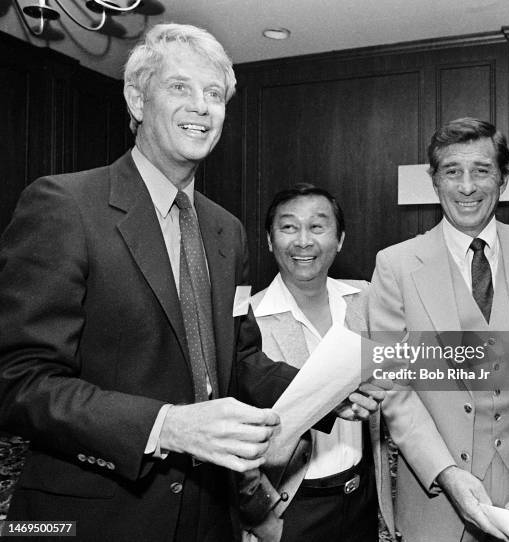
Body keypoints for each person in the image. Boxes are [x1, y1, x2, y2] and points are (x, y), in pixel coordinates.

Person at [0, 24, 381, 542]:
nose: (202, 107)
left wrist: (321, 394)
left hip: (210, 516)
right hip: (94, 517)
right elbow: (19, 381)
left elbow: (240, 360)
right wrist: (166, 426)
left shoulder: (227, 230)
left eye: (215, 94)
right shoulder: (64, 207)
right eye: (180, 87)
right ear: (137, 99)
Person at [368, 117, 509, 541]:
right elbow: (394, 385)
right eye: (452, 171)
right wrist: (447, 473)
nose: (466, 186)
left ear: (504, 179)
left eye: (481, 170)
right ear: (434, 181)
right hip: (437, 497)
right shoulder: (395, 266)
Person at [241, 184, 394, 542]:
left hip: (361, 500)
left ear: (339, 239)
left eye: (318, 227)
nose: (303, 241)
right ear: (269, 239)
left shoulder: (366, 299)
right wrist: (264, 520)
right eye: (289, 227)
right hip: (290, 508)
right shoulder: (250, 319)